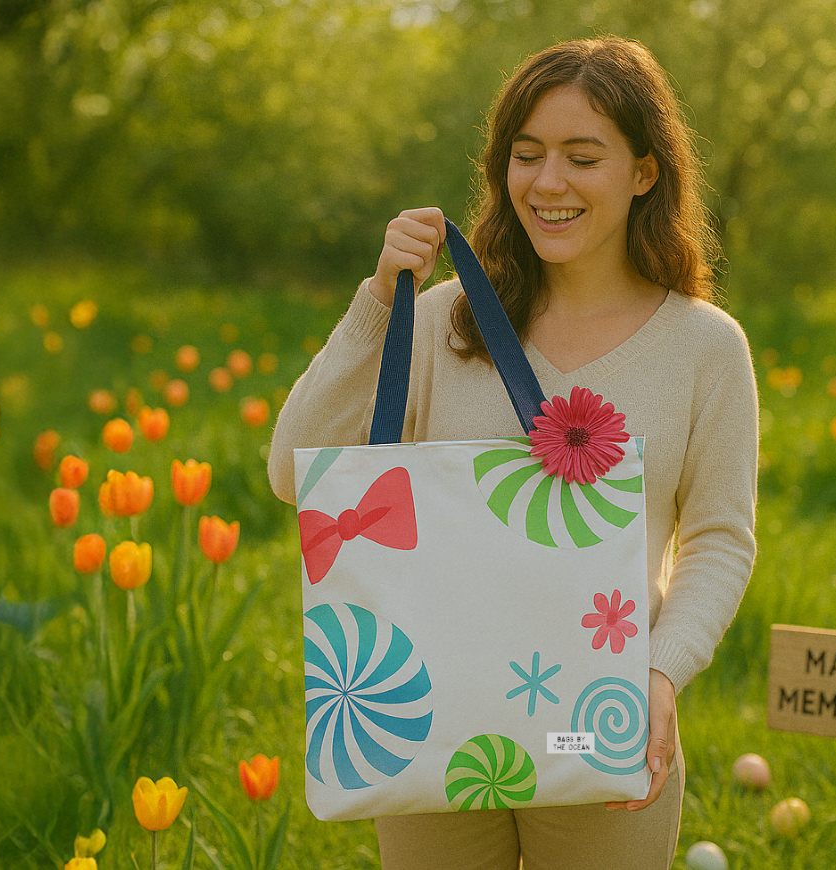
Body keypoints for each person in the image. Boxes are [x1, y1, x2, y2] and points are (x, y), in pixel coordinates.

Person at [267, 35, 758, 870]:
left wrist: (661, 674)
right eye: (525, 156)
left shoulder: (704, 348)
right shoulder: (440, 321)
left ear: (645, 171)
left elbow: (718, 539)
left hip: (601, 728)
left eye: (582, 156)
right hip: (430, 725)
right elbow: (293, 471)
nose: (548, 183)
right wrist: (379, 304)